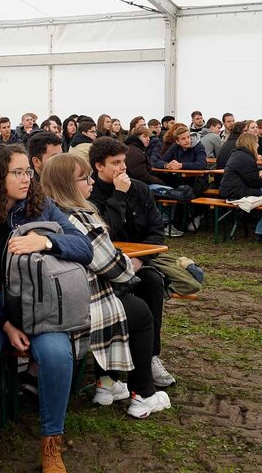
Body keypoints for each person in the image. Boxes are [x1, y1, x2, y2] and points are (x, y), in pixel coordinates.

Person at [0, 144, 92, 473]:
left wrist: (46, 241)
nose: (27, 178)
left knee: (56, 353)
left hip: (38, 307)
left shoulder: (43, 208)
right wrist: (4, 323)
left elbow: (84, 247)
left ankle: (52, 443)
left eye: (28, 171)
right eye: (17, 172)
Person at [41, 153, 171, 419]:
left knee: (135, 294)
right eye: (84, 178)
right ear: (68, 185)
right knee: (140, 313)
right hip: (80, 306)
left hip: (51, 303)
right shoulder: (79, 218)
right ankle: (143, 394)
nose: (91, 182)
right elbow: (115, 269)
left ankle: (107, 383)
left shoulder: (43, 213)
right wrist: (130, 263)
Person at [87, 137, 177, 387]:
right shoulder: (90, 195)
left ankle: (151, 356)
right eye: (115, 162)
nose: (123, 167)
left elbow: (156, 231)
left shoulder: (141, 189)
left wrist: (140, 259)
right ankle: (109, 368)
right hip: (104, 267)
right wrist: (118, 194)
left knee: (152, 281)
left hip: (138, 263)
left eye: (123, 161)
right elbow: (105, 233)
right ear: (99, 166)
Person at [219, 133, 262, 242]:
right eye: (256, 143)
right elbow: (255, 182)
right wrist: (261, 177)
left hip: (234, 189)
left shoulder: (240, 154)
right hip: (237, 192)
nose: (258, 145)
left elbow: (253, 170)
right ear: (250, 143)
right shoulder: (245, 157)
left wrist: (260, 170)